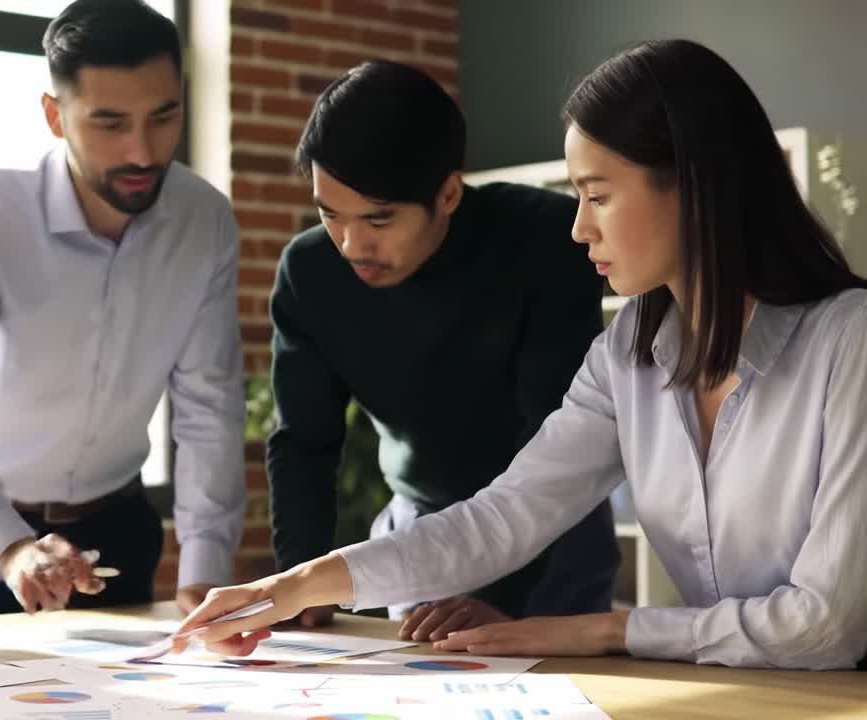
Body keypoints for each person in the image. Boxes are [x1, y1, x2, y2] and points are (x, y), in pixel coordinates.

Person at [176, 39, 867, 671]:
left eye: (597, 195)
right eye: (574, 196)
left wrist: (604, 629)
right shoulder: (628, 354)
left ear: (692, 185)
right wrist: (291, 585)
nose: (578, 226)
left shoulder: (850, 343)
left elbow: (826, 628)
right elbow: (505, 515)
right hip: (734, 693)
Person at [0, 0, 244, 620]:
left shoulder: (206, 223)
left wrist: (205, 571)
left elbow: (208, 407)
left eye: (163, 116)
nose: (142, 152)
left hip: (116, 531)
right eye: (110, 124)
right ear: (54, 116)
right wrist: (9, 548)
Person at [266, 60, 619, 635]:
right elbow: (304, 441)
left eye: (379, 219)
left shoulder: (543, 241)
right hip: (420, 526)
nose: (353, 245)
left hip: (554, 525)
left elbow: (553, 438)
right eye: (331, 215)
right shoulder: (309, 272)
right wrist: (298, 582)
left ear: (449, 193)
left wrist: (504, 600)